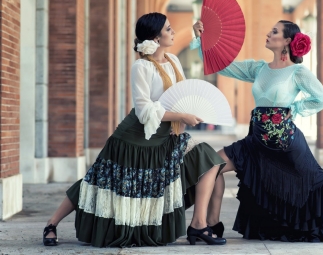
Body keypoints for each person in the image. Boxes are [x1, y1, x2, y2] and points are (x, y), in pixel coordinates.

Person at [41, 12, 227, 247]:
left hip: (166, 136)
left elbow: (178, 94)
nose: (173, 32)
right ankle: (52, 223)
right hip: (133, 138)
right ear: (156, 37)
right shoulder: (141, 67)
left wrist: (196, 36)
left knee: (209, 160)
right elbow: (143, 110)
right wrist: (181, 116)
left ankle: (198, 225)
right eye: (169, 29)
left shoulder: (173, 61)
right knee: (95, 183)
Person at [191, 20, 323, 244]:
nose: (268, 34)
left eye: (274, 32)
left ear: (287, 41)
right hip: (255, 140)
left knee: (321, 184)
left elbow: (322, 98)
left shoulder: (298, 71)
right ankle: (206, 225)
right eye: (270, 30)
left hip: (285, 142)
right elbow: (222, 65)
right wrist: (200, 39)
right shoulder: (259, 68)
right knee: (212, 165)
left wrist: (297, 108)